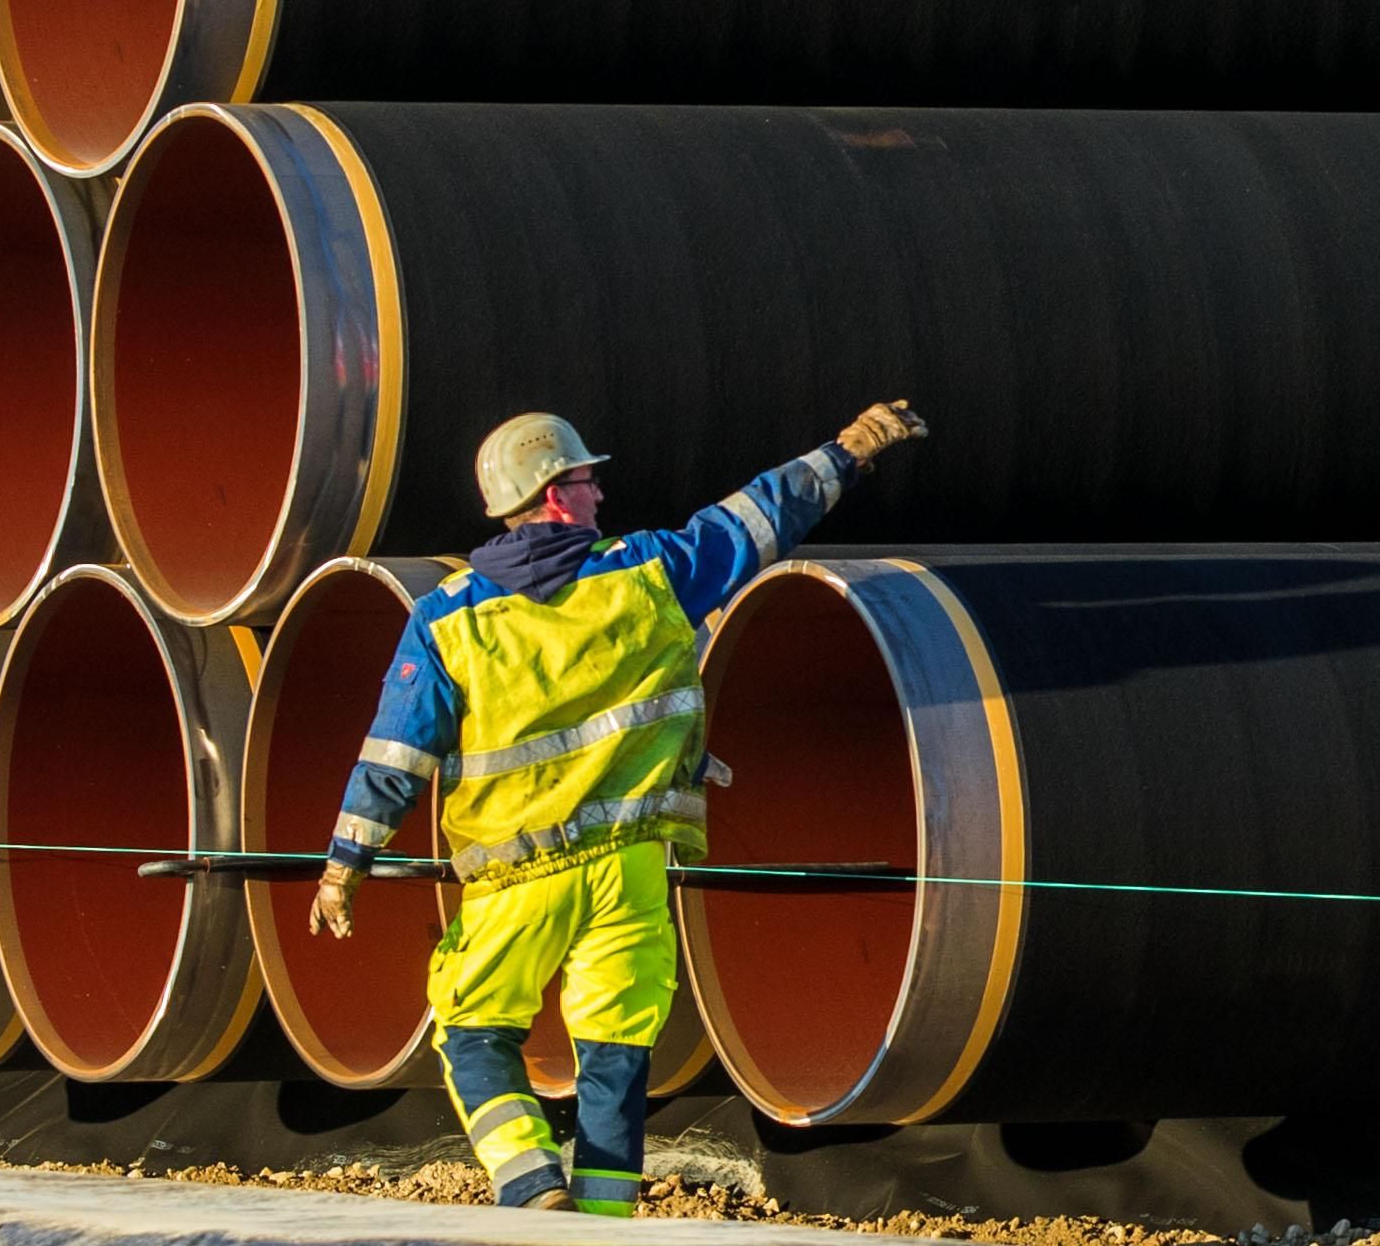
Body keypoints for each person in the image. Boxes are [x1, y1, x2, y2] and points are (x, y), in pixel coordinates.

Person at [316, 399, 927, 1215]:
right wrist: (848, 453)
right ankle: (604, 1221)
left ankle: (531, 1184)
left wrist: (342, 866)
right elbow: (754, 522)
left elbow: (395, 755)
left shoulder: (449, 619)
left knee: (473, 1034)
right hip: (630, 871)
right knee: (614, 1051)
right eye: (585, 479)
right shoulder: (646, 574)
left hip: (514, 878)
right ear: (552, 494)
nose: (600, 492)